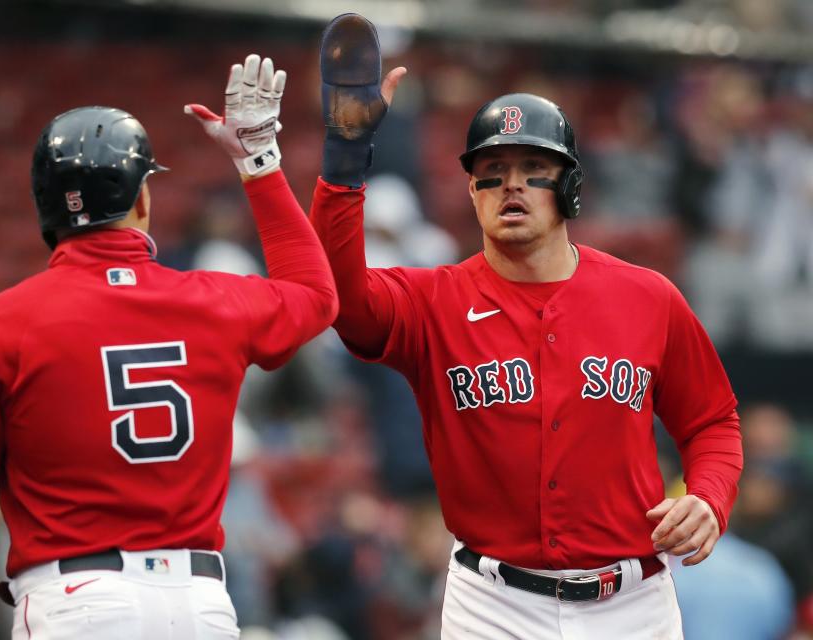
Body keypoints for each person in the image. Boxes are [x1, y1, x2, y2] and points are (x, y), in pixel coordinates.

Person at [309, 13, 743, 640]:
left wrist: (707, 496)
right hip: (494, 605)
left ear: (568, 186)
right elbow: (342, 298)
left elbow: (713, 421)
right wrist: (346, 159)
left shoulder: (647, 296)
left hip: (633, 604)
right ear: (472, 190)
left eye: (532, 167)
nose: (511, 183)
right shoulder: (433, 301)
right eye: (493, 169)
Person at [0, 53, 337, 640]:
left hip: (76, 603)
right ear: (142, 200)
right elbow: (316, 294)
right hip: (199, 605)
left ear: (44, 208)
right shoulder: (214, 302)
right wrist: (258, 160)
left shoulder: (0, 323)